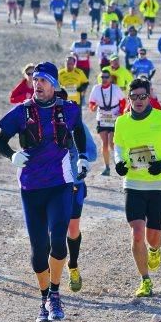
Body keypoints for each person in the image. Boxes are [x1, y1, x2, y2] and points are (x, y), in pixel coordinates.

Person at [0, 61, 90, 322]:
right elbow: (0, 140)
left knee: (58, 241)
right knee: (39, 248)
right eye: (35, 80)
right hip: (31, 186)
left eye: (43, 80)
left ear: (54, 85)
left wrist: (81, 157)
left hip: (59, 184)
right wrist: (11, 155)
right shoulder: (21, 112)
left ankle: (55, 295)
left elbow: (79, 131)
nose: (37, 84)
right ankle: (43, 297)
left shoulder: (69, 110)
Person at [114, 78, 161, 297]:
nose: (138, 100)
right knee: (136, 233)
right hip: (133, 183)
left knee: (153, 236)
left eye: (142, 96)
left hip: (159, 183)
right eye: (134, 96)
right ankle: (145, 280)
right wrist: (119, 163)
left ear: (149, 96)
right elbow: (119, 146)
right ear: (129, 98)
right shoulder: (122, 122)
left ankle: (154, 248)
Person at [66, 120, 98, 292]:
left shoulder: (76, 124)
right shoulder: (40, 122)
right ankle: (50, 271)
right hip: (48, 184)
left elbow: (92, 153)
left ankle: (73, 265)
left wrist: (76, 150)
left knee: (72, 229)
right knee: (51, 229)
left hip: (74, 185)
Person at [88, 70, 126, 176]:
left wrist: (121, 112)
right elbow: (91, 103)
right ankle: (107, 167)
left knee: (112, 143)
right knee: (104, 143)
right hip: (102, 117)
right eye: (102, 77)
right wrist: (93, 107)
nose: (104, 79)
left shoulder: (115, 88)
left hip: (114, 117)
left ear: (110, 78)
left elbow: (123, 101)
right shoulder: (96, 88)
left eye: (106, 77)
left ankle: (119, 161)